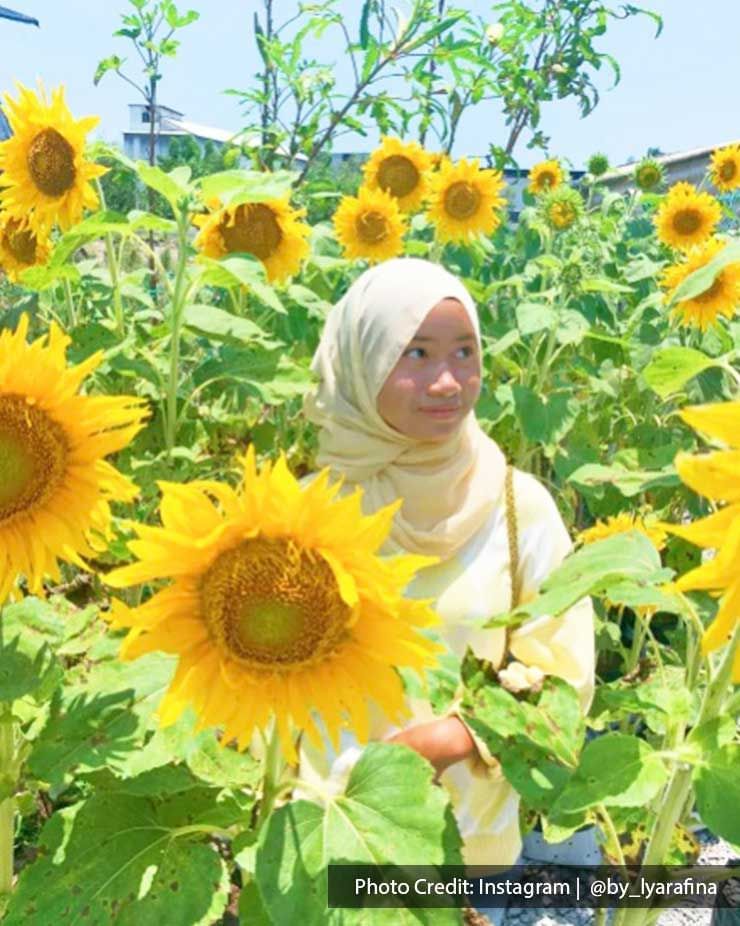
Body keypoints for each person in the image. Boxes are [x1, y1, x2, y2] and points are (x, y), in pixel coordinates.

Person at [298, 257, 596, 925]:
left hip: (470, 854)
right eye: (415, 353)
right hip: (323, 837)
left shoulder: (520, 508)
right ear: (360, 359)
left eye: (466, 352)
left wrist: (441, 742)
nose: (448, 381)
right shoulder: (305, 512)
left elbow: (563, 676)